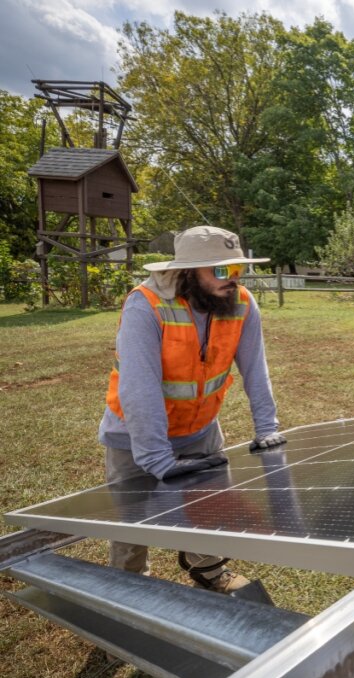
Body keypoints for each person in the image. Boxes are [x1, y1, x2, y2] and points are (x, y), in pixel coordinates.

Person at [99, 225, 287, 593]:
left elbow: (255, 369)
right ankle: (130, 589)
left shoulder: (243, 304)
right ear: (188, 272)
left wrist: (267, 428)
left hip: (201, 431)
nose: (233, 279)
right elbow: (140, 388)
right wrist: (157, 459)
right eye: (221, 270)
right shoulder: (145, 305)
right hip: (134, 439)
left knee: (211, 509)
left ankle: (210, 572)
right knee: (133, 524)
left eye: (237, 270)